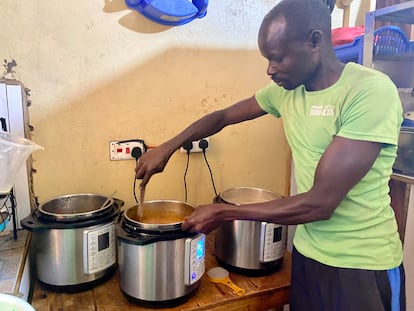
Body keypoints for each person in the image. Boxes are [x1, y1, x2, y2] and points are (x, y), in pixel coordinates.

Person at [135, 0, 405, 310]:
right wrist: (168, 147)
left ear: (315, 41)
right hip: (308, 255)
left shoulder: (369, 92)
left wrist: (223, 212)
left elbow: (320, 203)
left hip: (362, 267)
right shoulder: (287, 91)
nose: (269, 69)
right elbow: (222, 117)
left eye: (277, 58)